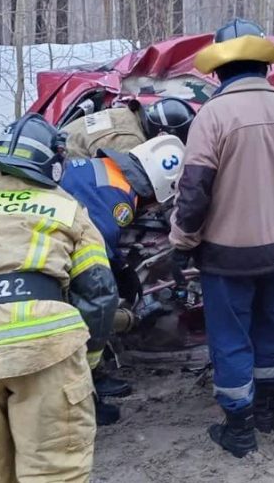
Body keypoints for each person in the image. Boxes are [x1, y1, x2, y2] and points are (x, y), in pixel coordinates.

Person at [0, 113, 119, 482]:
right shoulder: (65, 206)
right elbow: (98, 291)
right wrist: (87, 359)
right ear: (52, 163)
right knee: (54, 469)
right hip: (44, 349)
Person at [170, 18, 274, 458]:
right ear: (264, 67)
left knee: (231, 337)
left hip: (228, 254)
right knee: (272, 327)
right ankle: (268, 412)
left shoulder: (212, 116)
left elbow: (194, 192)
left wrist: (182, 241)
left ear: (218, 71)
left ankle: (240, 429)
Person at [59, 134, 187, 399]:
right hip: (58, 258)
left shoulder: (106, 168)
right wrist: (120, 273)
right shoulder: (121, 197)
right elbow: (97, 247)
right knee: (96, 300)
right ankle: (89, 380)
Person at [61, 97, 196, 159]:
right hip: (60, 169)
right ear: (162, 135)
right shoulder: (130, 142)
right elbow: (114, 186)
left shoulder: (128, 115)